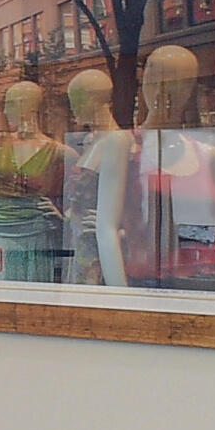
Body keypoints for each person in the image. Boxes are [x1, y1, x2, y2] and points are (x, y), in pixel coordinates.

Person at [125, 43, 215, 290]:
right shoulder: (125, 150)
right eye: (156, 78)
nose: (165, 91)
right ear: (145, 84)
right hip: (144, 282)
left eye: (180, 82)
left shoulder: (209, 153)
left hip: (208, 282)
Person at [0, 78, 68, 281]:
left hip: (38, 235)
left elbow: (86, 192)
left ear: (26, 106)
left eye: (10, 104)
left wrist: (63, 216)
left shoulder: (56, 150)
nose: (5, 111)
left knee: (33, 295)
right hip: (4, 234)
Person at [64, 66, 130, 288]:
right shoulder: (92, 140)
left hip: (99, 255)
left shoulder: (116, 140)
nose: (72, 107)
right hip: (81, 247)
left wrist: (120, 298)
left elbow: (107, 227)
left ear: (92, 99)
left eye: (75, 99)